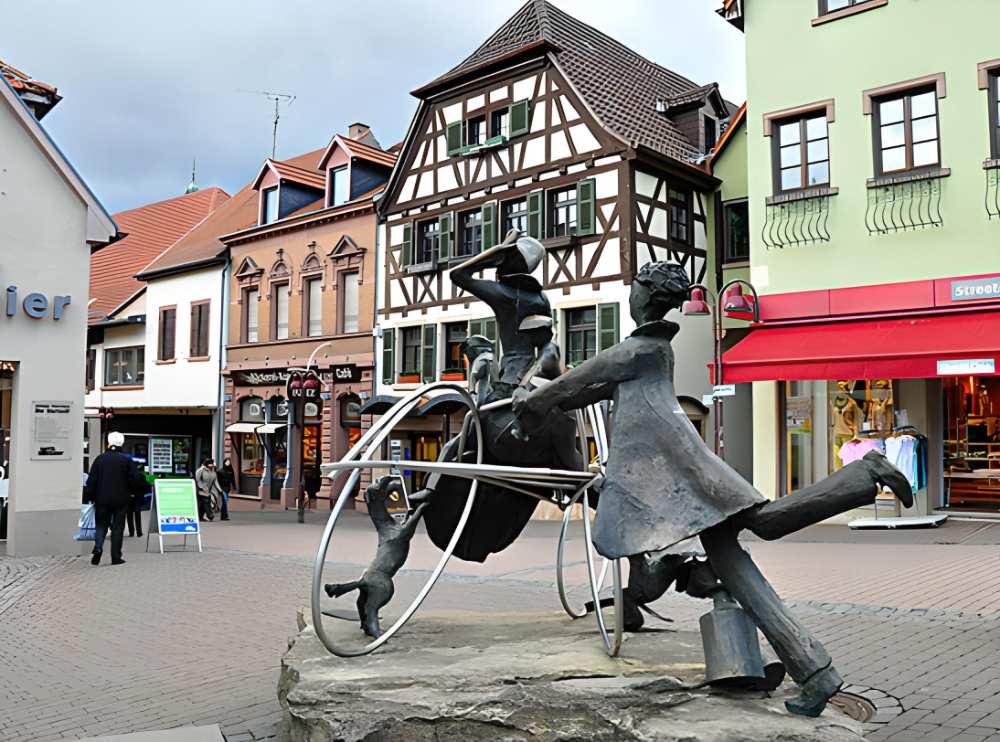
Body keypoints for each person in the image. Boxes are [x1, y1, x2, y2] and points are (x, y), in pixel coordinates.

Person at [513, 261, 913, 717]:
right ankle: (816, 673)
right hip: (679, 472)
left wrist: (536, 397)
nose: (630, 294)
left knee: (764, 524)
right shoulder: (644, 354)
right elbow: (584, 391)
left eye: (633, 288)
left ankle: (866, 473)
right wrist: (545, 399)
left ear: (643, 295)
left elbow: (580, 378)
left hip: (686, 468)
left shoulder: (643, 348)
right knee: (739, 566)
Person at [84, 432, 150, 566]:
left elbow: (91, 481)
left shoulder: (99, 459)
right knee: (118, 527)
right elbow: (135, 479)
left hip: (101, 499)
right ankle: (116, 557)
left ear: (108, 443)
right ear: (122, 443)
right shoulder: (127, 461)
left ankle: (98, 547)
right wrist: (134, 493)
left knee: (101, 524)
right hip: (121, 499)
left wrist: (90, 497)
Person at [125, 464, 145, 538]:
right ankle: (139, 532)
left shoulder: (126, 476)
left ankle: (131, 532)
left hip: (128, 497)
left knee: (129, 515)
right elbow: (144, 486)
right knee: (137, 515)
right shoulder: (141, 476)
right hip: (137, 498)